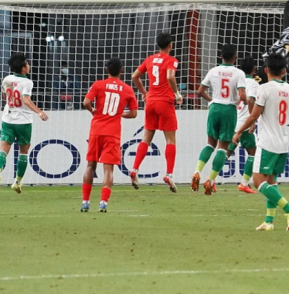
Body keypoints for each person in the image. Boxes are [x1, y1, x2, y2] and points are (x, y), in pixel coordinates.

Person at [232, 53, 289, 231]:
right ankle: (269, 221)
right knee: (271, 181)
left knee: (258, 182)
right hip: (282, 143)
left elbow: (254, 115)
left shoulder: (264, 89)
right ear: (285, 71)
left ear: (266, 70)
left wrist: (239, 131)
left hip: (266, 143)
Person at [81, 58, 138, 212]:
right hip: (112, 133)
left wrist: (93, 111)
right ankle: (103, 203)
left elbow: (86, 102)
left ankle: (85, 202)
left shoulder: (98, 84)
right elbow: (133, 114)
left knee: (90, 165)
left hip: (96, 130)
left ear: (107, 70)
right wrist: (119, 114)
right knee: (108, 169)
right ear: (122, 71)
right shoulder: (127, 89)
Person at [190, 44, 247, 195]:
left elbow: (200, 91)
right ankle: (210, 180)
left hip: (214, 108)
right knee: (222, 148)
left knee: (210, 144)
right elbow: (241, 95)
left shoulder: (213, 71)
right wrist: (247, 102)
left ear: (220, 56)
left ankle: (197, 172)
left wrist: (211, 100)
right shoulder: (238, 73)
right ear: (235, 57)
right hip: (229, 110)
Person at [130, 32, 183, 192]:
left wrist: (144, 93)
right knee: (170, 139)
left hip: (151, 102)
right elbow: (170, 77)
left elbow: (134, 76)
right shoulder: (171, 60)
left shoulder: (150, 59)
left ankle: (134, 169)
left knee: (146, 137)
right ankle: (169, 174)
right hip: (165, 102)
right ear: (170, 45)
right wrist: (177, 94)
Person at [0, 53, 49, 195]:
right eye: (27, 64)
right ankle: (17, 182)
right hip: (24, 121)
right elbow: (26, 100)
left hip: (8, 119)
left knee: (3, 150)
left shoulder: (6, 79)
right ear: (23, 68)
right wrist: (39, 112)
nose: (29, 66)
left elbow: (5, 96)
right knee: (23, 153)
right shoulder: (27, 82)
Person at [226, 57, 260, 194]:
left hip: (233, 119)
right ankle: (244, 183)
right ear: (254, 69)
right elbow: (251, 100)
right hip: (245, 124)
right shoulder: (253, 84)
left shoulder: (237, 81)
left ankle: (211, 180)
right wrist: (252, 121)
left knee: (226, 152)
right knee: (253, 153)